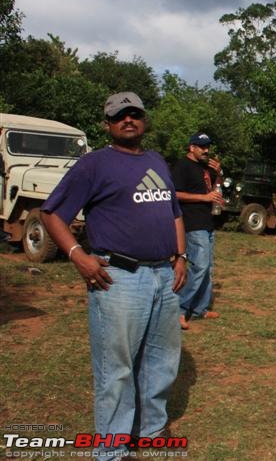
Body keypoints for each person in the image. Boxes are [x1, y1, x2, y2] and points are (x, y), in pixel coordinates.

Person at [40, 92, 187, 459]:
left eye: (134, 114)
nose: (128, 120)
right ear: (107, 124)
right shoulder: (94, 165)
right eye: (120, 115)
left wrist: (181, 256)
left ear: (144, 120)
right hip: (119, 278)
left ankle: (151, 435)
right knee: (116, 369)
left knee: (161, 363)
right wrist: (77, 255)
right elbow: (51, 214)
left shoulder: (157, 161)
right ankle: (112, 450)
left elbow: (174, 212)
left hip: (163, 276)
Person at [171, 132, 224, 329]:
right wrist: (204, 198)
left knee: (208, 268)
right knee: (199, 266)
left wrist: (219, 174)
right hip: (192, 224)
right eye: (202, 146)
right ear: (191, 147)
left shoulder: (205, 167)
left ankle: (200, 308)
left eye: (207, 146)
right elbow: (174, 194)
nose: (206, 150)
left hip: (207, 222)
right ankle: (179, 309)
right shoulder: (182, 166)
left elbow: (215, 190)